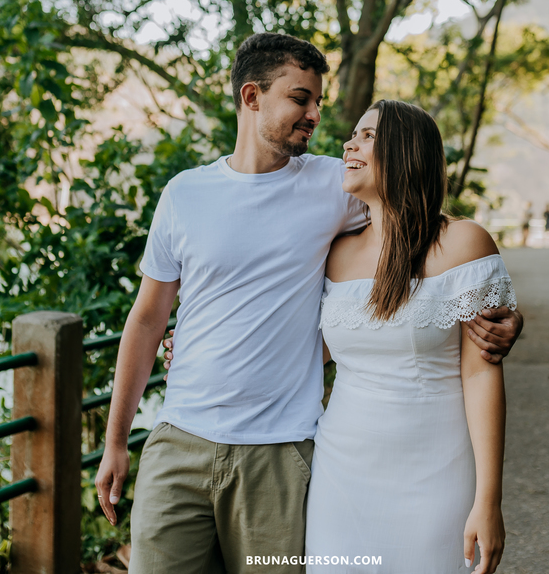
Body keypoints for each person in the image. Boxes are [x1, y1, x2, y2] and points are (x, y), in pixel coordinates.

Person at [93, 33, 520, 574]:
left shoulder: (333, 188)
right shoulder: (185, 194)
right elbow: (149, 317)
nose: (319, 117)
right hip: (189, 441)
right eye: (302, 99)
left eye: (319, 101)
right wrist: (116, 441)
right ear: (252, 97)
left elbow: (423, 245)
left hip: (286, 449)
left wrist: (505, 315)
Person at [303, 101, 510, 574]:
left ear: (407, 151)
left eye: (368, 136)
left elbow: (481, 373)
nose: (349, 144)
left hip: (435, 471)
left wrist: (489, 500)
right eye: (352, 135)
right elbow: (305, 350)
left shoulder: (464, 245)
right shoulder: (335, 253)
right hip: (341, 473)